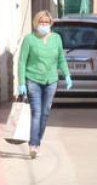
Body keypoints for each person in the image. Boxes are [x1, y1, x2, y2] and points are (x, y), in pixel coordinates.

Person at [17, 11, 72, 159]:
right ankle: (33, 145)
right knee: (37, 112)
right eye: (41, 22)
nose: (44, 25)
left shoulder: (56, 39)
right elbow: (22, 61)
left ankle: (37, 141)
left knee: (45, 113)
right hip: (33, 79)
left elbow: (61, 58)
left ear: (50, 24)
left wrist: (67, 74)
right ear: (36, 23)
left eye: (47, 23)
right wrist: (21, 82)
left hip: (51, 80)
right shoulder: (29, 39)